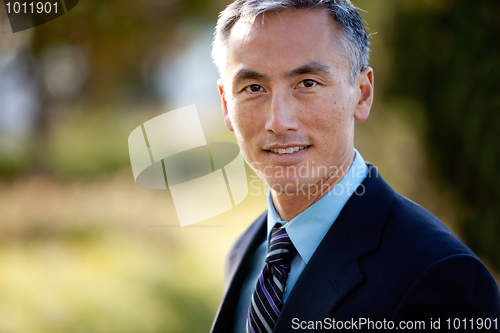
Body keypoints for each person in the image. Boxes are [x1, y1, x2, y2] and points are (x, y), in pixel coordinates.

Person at [209, 0, 500, 332]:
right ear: (226, 104)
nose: (278, 121)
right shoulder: (247, 252)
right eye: (254, 88)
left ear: (361, 94)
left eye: (307, 83)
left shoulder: (440, 275)